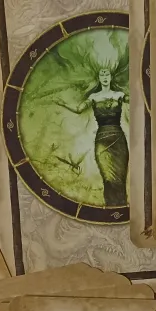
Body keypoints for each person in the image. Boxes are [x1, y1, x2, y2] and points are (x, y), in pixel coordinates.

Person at [55, 68, 129, 207]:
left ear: (111, 77)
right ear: (99, 78)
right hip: (102, 141)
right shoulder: (93, 97)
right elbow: (79, 109)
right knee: (108, 178)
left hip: (118, 140)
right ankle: (111, 207)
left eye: (107, 74)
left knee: (120, 178)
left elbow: (135, 99)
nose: (105, 76)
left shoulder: (119, 95)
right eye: (102, 74)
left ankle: (121, 207)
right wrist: (63, 104)